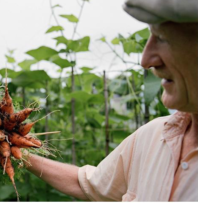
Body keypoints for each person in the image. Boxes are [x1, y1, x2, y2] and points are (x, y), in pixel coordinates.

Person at [24, 0, 198, 201]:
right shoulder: (152, 137)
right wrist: (17, 153)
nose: (146, 59)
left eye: (162, 38)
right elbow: (90, 183)